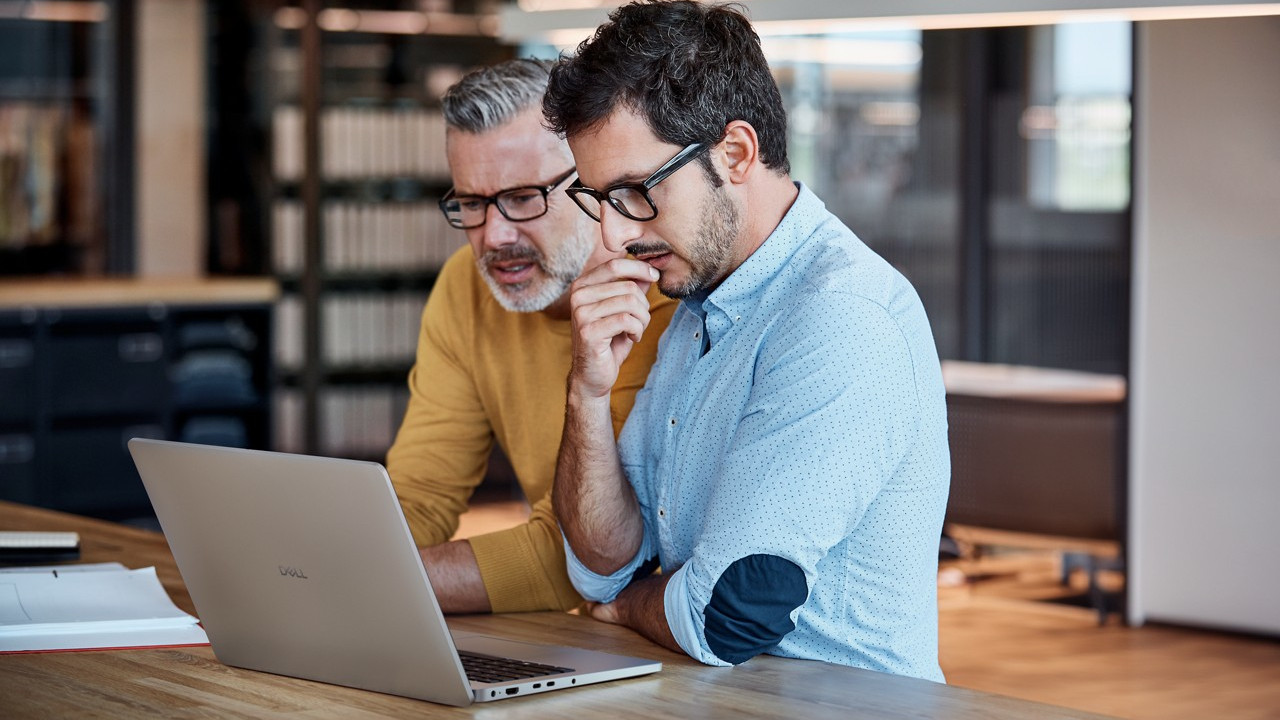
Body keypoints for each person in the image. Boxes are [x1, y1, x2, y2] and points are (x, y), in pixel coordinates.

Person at [544, 1, 950, 681]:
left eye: (636, 192)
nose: (614, 238)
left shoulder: (839, 317)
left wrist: (634, 603)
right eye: (599, 200)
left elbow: (732, 613)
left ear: (735, 153)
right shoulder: (698, 302)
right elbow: (602, 567)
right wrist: (586, 394)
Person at [385, 58, 675, 615]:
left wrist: (375, 581)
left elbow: (585, 556)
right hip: (593, 638)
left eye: (523, 198)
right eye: (472, 203)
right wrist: (320, 565)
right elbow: (419, 496)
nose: (494, 236)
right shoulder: (464, 289)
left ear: (591, 181)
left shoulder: (660, 297)